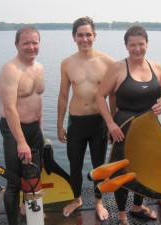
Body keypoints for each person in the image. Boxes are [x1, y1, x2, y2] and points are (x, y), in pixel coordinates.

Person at [96, 25, 161, 225]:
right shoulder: (118, 67)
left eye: (141, 44)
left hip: (148, 128)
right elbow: (100, 96)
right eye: (132, 45)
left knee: (144, 169)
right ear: (126, 46)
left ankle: (137, 206)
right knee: (122, 172)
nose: (137, 49)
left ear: (147, 43)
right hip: (123, 127)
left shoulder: (157, 67)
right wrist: (110, 123)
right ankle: (121, 215)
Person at [57, 16, 114, 221]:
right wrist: (59, 125)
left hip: (99, 122)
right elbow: (63, 96)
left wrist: (112, 124)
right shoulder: (67, 63)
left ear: (95, 35)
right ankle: (77, 199)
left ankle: (98, 202)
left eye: (88, 34)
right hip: (76, 122)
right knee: (75, 165)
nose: (85, 39)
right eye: (80, 35)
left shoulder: (107, 62)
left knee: (99, 167)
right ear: (74, 37)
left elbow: (113, 96)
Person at [0, 26, 45, 225]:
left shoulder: (39, 68)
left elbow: (37, 101)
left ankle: (28, 211)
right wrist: (21, 142)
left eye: (35, 42)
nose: (31, 47)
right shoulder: (11, 69)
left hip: (34, 129)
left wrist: (41, 130)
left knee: (33, 175)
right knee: (14, 181)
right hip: (15, 131)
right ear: (17, 44)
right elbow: (9, 109)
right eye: (26, 42)